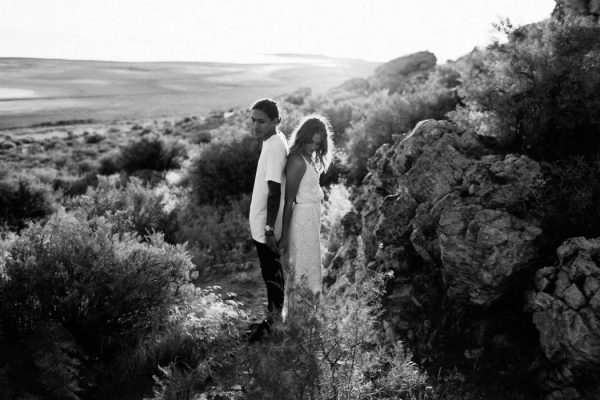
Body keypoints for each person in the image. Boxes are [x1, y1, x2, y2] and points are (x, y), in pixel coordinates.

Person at [278, 115, 333, 320]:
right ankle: (297, 318)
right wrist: (284, 235)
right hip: (301, 219)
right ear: (303, 137)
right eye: (311, 141)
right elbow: (289, 200)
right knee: (301, 266)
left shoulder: (310, 158)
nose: (313, 146)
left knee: (311, 265)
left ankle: (309, 314)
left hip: (312, 218)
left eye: (318, 143)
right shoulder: (296, 160)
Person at [247, 98, 288, 341]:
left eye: (261, 121)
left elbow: (275, 191)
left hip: (266, 224)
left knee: (271, 273)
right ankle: (272, 319)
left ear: (276, 121)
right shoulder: (273, 140)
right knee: (271, 273)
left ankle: (273, 325)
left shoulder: (273, 147)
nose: (255, 126)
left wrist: (269, 229)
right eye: (253, 120)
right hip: (264, 222)